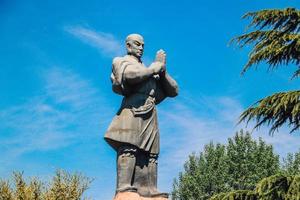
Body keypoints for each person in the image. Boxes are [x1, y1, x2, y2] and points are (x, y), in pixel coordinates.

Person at [104, 33, 178, 198]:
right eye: (137, 44)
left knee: (151, 154)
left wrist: (162, 70)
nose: (141, 47)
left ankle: (149, 189)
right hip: (132, 109)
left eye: (143, 45)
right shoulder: (121, 61)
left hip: (150, 112)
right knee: (129, 148)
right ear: (128, 46)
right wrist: (154, 67)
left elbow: (174, 90)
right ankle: (123, 188)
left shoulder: (150, 70)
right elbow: (130, 76)